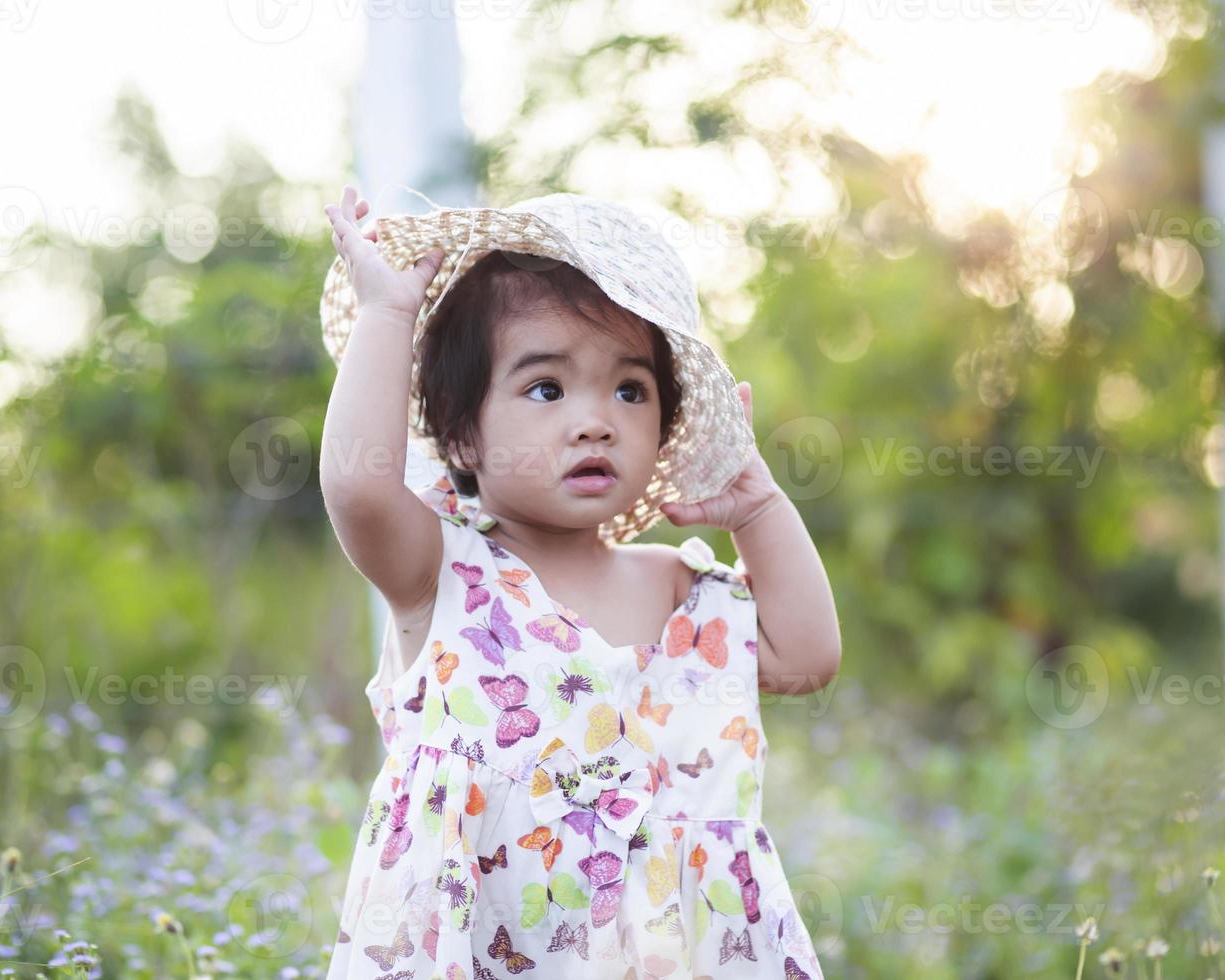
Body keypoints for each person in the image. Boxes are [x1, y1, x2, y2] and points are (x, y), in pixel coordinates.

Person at [318, 184, 839, 979]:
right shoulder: (442, 572)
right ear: (460, 431)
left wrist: (758, 506)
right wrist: (387, 315)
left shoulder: (677, 590)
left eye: (630, 390)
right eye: (546, 388)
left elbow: (807, 656)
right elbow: (358, 486)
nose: (596, 419)